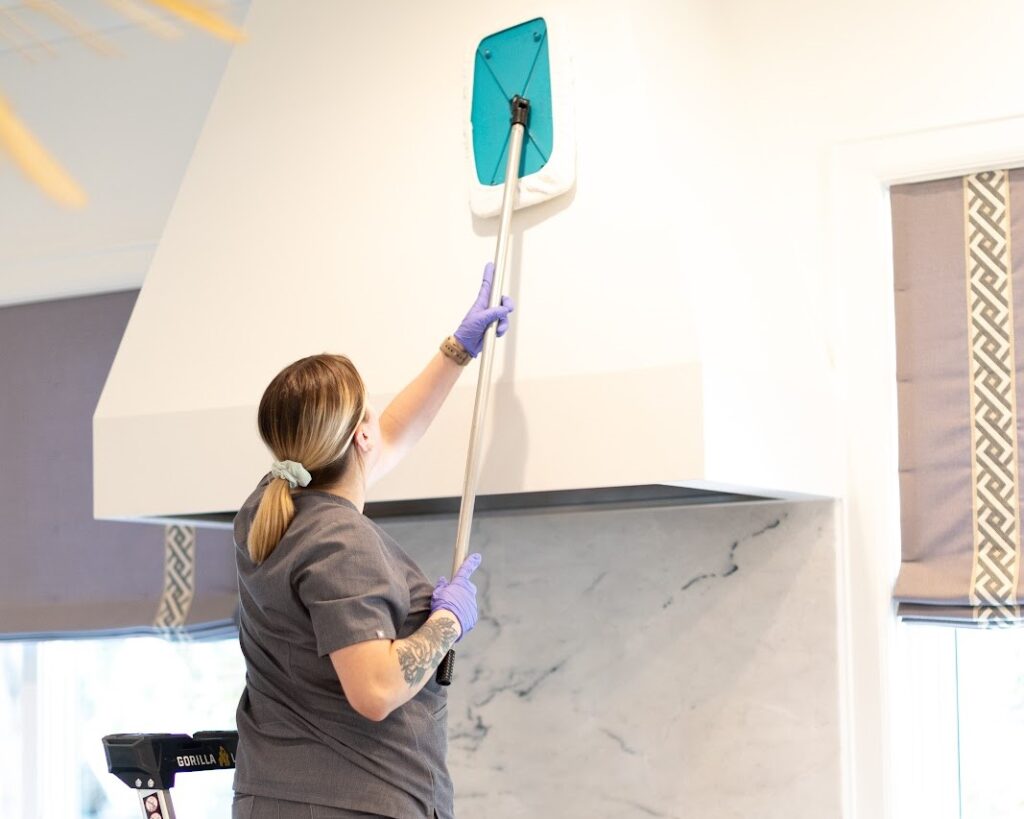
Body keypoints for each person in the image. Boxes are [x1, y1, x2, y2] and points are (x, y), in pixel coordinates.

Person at [230, 264, 514, 819]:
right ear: (357, 434)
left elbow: (387, 436)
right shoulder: (342, 543)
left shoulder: (268, 508)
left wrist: (457, 350)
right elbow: (377, 689)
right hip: (357, 800)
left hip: (278, 797)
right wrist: (447, 622)